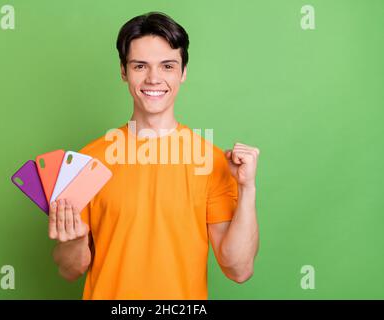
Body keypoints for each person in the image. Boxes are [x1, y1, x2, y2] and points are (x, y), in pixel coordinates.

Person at [48, 12, 260, 300]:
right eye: (140, 66)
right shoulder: (87, 161)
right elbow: (69, 270)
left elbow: (239, 269)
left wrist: (247, 190)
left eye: (168, 66)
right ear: (123, 71)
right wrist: (74, 241)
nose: (154, 78)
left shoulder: (210, 162)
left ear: (183, 72)